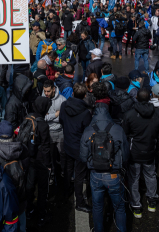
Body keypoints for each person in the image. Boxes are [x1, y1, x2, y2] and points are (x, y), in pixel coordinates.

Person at [80, 81, 130, 232]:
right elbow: (126, 154)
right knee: (120, 207)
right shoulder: (117, 129)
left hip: (95, 174)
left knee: (97, 206)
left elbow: (83, 157)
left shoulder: (89, 130)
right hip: (114, 174)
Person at [123, 88, 159, 217]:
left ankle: (136, 205)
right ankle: (152, 201)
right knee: (150, 175)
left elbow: (125, 134)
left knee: (134, 178)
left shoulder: (129, 114)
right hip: (149, 151)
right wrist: (155, 147)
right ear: (149, 98)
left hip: (134, 153)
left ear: (136, 98)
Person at [0, 120, 30, 232]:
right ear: (13, 135)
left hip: (1, 202)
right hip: (20, 198)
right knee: (21, 225)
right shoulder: (22, 150)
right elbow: (26, 169)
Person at [59, 83, 92, 212]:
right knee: (79, 175)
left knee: (68, 170)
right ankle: (79, 201)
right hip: (79, 147)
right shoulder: (85, 113)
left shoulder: (64, 105)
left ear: (72, 94)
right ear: (84, 96)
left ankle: (66, 192)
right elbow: (87, 131)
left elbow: (61, 120)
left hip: (67, 143)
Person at [25, 96, 52, 225]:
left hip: (28, 158)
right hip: (40, 161)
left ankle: (28, 210)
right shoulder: (43, 125)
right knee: (42, 188)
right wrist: (48, 165)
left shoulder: (28, 118)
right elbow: (46, 147)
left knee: (29, 186)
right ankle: (41, 215)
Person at [42, 79, 66, 185]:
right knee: (50, 157)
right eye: (44, 91)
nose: (46, 93)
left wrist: (49, 117)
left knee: (62, 155)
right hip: (49, 133)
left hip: (61, 132)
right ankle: (51, 175)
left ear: (53, 89)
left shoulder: (62, 100)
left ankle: (63, 173)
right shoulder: (42, 100)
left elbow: (63, 117)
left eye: (48, 91)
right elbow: (43, 117)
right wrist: (56, 115)